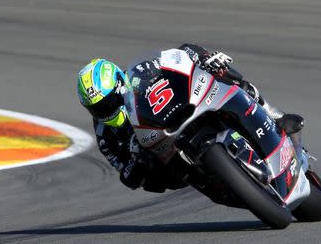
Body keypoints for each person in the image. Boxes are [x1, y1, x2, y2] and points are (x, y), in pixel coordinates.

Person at [77, 43, 304, 193]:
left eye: (107, 103)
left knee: (226, 78)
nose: (105, 111)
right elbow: (125, 174)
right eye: (97, 109)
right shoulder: (105, 135)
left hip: (179, 112)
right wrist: (135, 163)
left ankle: (275, 115)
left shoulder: (142, 72)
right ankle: (222, 183)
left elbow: (177, 57)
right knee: (153, 181)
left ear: (119, 85)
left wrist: (202, 58)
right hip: (166, 157)